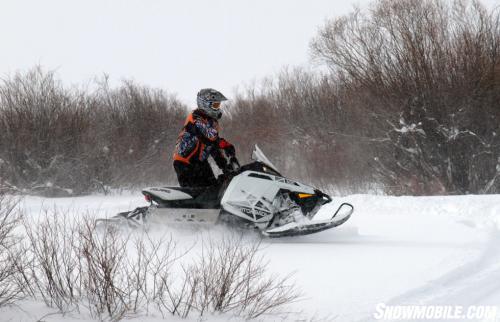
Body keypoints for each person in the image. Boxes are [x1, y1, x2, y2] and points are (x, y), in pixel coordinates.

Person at [172, 88, 235, 187]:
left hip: (200, 163)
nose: (218, 108)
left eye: (218, 105)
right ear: (205, 104)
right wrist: (224, 144)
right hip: (185, 163)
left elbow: (213, 147)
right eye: (215, 105)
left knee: (215, 191)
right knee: (197, 196)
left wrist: (224, 166)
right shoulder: (195, 118)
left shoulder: (212, 122)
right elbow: (208, 138)